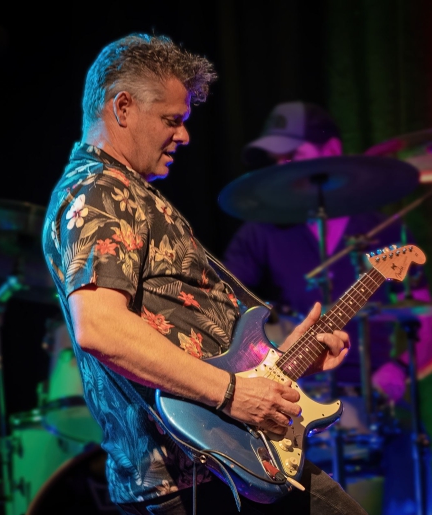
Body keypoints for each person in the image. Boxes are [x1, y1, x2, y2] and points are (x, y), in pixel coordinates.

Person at [41, 34, 369, 515]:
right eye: (171, 120)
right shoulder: (99, 191)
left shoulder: (124, 191)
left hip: (221, 460)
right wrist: (233, 394)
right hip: (194, 472)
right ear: (123, 107)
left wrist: (279, 361)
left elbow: (184, 335)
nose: (185, 136)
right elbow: (100, 327)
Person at [221, 101, 432, 515]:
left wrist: (398, 370)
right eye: (278, 159)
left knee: (409, 441)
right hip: (288, 400)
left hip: (373, 403)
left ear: (332, 151)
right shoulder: (260, 234)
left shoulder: (385, 233)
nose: (284, 167)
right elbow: (224, 316)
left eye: (294, 154)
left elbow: (429, 334)